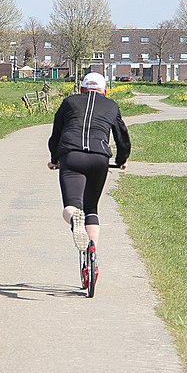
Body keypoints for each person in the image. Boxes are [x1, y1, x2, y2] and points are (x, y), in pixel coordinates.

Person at [47, 72, 131, 280]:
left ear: (82, 89)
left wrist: (55, 158)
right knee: (92, 208)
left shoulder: (69, 102)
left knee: (72, 207)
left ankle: (76, 222)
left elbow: (56, 134)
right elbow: (122, 137)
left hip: (72, 155)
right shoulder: (111, 106)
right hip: (99, 158)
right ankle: (91, 257)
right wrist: (121, 159)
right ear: (105, 90)